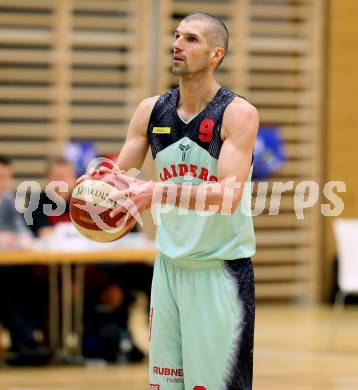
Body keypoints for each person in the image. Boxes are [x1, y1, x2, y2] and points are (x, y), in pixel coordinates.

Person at [93, 12, 258, 389]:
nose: (177, 44)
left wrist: (157, 192)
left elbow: (228, 196)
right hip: (168, 270)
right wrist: (98, 183)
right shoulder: (151, 110)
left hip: (220, 272)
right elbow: (119, 176)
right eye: (177, 36)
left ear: (216, 54)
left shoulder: (237, 113)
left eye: (192, 39)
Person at [30, 157, 146, 363]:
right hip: (55, 273)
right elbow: (41, 234)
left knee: (124, 285)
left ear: (75, 179)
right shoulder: (38, 201)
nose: (61, 183)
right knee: (69, 290)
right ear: (47, 180)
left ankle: (118, 339)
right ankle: (58, 343)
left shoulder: (88, 199)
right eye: (56, 178)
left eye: (65, 177)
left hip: (95, 270)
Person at [0, 156, 51, 366]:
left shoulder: (9, 201)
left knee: (33, 281)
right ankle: (24, 340)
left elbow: (24, 233)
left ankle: (29, 340)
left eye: (4, 177)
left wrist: (20, 238)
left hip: (10, 264)